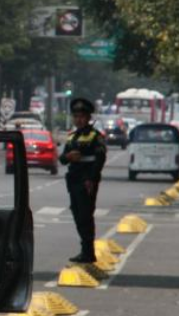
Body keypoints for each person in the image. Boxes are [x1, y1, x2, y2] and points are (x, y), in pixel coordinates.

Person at [59, 98, 106, 263]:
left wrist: (91, 179)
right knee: (77, 215)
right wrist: (68, 156)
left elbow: (99, 160)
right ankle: (84, 250)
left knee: (86, 216)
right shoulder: (71, 137)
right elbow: (62, 159)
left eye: (82, 116)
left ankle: (88, 252)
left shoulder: (96, 137)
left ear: (88, 118)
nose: (78, 119)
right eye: (76, 116)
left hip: (86, 181)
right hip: (73, 181)